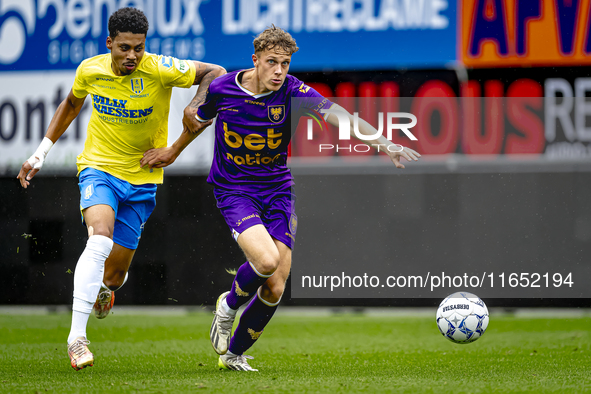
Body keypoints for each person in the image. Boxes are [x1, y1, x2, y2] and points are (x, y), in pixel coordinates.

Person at [141, 25, 420, 372]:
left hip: (277, 192)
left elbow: (340, 116)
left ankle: (233, 355)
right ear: (255, 60)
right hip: (235, 191)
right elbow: (196, 123)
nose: (279, 71)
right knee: (267, 261)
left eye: (285, 63)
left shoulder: (293, 91)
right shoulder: (223, 88)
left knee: (275, 286)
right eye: (272, 62)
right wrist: (172, 151)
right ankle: (227, 306)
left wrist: (386, 145)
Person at [16, 7, 225, 371]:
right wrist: (40, 153)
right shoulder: (90, 69)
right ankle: (76, 339)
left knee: (112, 276)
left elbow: (216, 72)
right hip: (99, 169)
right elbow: (70, 105)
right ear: (109, 42)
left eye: (138, 48)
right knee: (98, 239)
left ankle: (105, 290)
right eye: (124, 47)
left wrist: (194, 104)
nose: (131, 56)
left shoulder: (160, 68)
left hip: (142, 178)